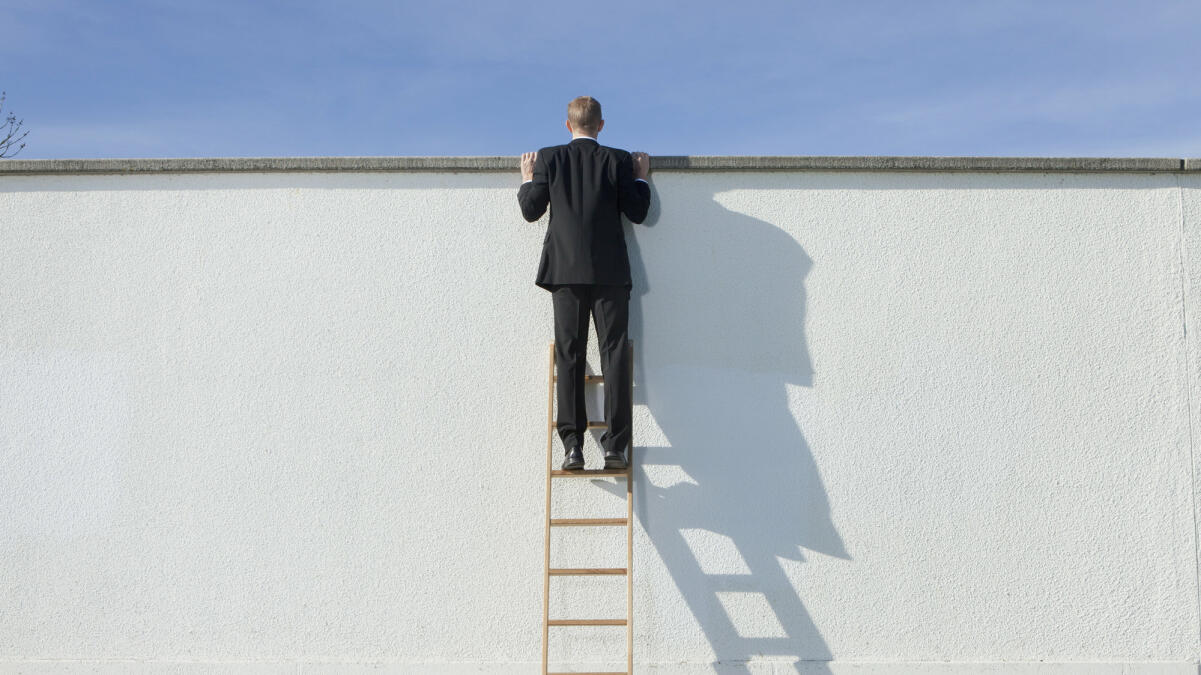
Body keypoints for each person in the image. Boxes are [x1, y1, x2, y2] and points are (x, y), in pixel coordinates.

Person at [518, 95, 652, 470]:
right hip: (609, 274)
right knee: (614, 355)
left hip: (564, 274)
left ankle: (572, 446)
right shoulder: (618, 160)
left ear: (568, 125)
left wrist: (528, 180)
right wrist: (640, 178)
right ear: (601, 125)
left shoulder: (549, 158)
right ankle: (615, 447)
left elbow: (531, 211)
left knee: (570, 356)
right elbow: (638, 212)